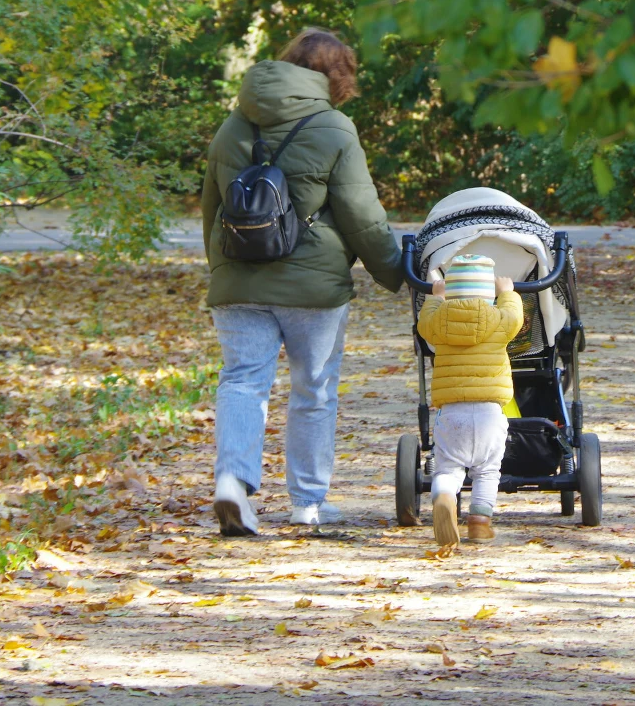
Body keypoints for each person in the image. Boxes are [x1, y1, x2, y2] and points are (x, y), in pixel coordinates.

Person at [201, 28, 403, 534]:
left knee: (243, 380)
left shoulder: (233, 125)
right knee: (313, 390)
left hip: (238, 282)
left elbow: (212, 209)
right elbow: (361, 214)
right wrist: (397, 271)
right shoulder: (334, 127)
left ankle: (232, 482)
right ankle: (308, 503)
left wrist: (222, 270)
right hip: (313, 288)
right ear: (339, 76)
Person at [416, 255, 524, 546]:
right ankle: (479, 523)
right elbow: (515, 317)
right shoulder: (499, 321)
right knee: (487, 470)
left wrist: (436, 298)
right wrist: (507, 293)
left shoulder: (438, 322)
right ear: (489, 293)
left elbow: (424, 324)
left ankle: (444, 496)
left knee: (448, 468)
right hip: (490, 413)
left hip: (452, 413)